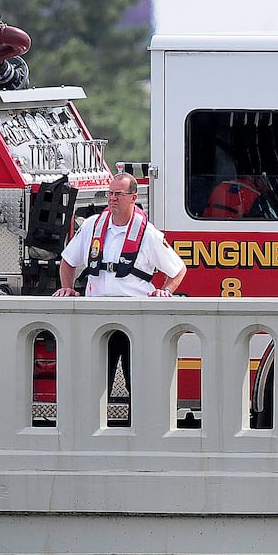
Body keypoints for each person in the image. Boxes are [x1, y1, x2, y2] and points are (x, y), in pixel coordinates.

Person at [54, 172, 188, 423]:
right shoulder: (93, 225)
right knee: (92, 380)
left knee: (136, 380)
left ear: (133, 198)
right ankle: (89, 430)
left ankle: (141, 431)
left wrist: (166, 291)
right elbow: (68, 261)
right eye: (110, 193)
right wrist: (67, 287)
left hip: (133, 318)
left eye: (119, 194)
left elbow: (178, 269)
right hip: (97, 316)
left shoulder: (147, 234)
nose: (113, 199)